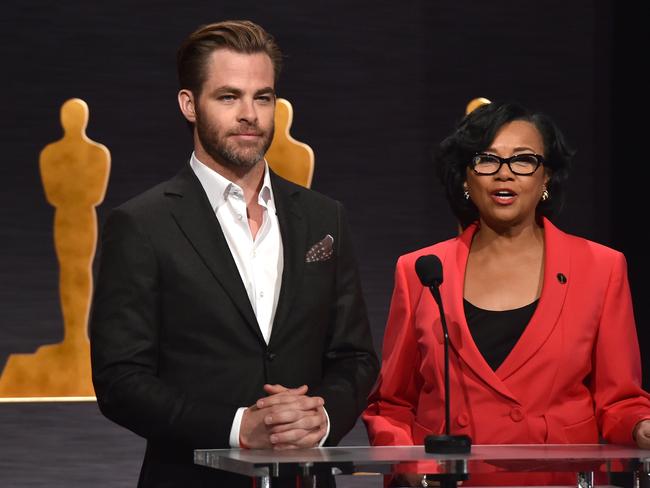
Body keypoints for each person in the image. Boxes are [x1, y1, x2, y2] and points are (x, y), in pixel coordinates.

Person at [90, 20, 378, 488]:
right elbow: (121, 380)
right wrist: (236, 427)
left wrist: (320, 420)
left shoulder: (326, 219)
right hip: (192, 477)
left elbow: (356, 358)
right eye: (228, 97)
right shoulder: (142, 224)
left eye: (262, 97)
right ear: (189, 104)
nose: (249, 114)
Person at [362, 101, 650, 485]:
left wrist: (639, 425)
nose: (504, 174)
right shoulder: (421, 271)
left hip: (553, 480)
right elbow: (392, 404)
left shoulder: (601, 268)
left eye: (523, 160)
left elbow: (620, 402)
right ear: (466, 179)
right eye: (487, 160)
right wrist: (411, 467)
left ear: (546, 177)